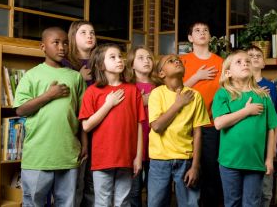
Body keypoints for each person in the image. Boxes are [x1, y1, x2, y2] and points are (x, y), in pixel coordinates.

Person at [14, 27, 87, 207]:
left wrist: (85, 143)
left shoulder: (75, 77)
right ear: (43, 47)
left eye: (65, 43)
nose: (61, 47)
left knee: (67, 203)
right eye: (55, 43)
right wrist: (49, 95)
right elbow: (20, 110)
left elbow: (82, 115)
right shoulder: (31, 76)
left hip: (68, 154)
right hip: (38, 156)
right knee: (33, 203)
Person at [79, 43, 145, 206]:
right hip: (102, 158)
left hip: (126, 158)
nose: (119, 60)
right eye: (112, 57)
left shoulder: (132, 90)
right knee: (102, 202)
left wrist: (138, 157)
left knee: (123, 202)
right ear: (101, 65)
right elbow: (86, 126)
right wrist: (108, 104)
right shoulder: (92, 92)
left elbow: (139, 126)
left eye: (120, 56)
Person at [212, 50, 277, 207]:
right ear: (228, 72)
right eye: (239, 62)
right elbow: (219, 123)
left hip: (255, 162)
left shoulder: (263, 96)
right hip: (229, 163)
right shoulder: (223, 94)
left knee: (252, 203)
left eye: (247, 61)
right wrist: (246, 111)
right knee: (232, 203)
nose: (245, 63)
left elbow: (271, 128)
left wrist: (269, 159)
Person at [148, 54, 210, 207]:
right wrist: (178, 104)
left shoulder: (195, 96)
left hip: (186, 160)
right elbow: (156, 126)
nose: (176, 61)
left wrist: (195, 166)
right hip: (159, 160)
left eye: (179, 60)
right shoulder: (157, 94)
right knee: (156, 203)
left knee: (190, 204)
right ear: (162, 73)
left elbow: (198, 133)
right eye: (170, 61)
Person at [180, 21, 223, 207]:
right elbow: (174, 90)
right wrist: (196, 77)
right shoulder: (182, 61)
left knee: (210, 172)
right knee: (187, 172)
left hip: (211, 124)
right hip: (185, 124)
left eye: (206, 30)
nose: (202, 32)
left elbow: (225, 90)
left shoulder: (220, 62)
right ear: (190, 38)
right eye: (197, 30)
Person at [64, 20, 97, 207]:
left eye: (92, 32)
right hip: (77, 128)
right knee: (75, 181)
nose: (89, 35)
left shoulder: (101, 61)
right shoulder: (66, 63)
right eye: (83, 32)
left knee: (93, 181)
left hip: (99, 126)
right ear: (73, 37)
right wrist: (80, 77)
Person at [246, 45, 277, 207]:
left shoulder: (272, 88)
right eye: (251, 55)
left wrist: (273, 145)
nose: (255, 57)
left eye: (258, 56)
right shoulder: (238, 86)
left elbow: (276, 121)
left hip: (265, 146)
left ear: (263, 64)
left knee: (265, 190)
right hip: (246, 145)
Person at [125, 46, 160, 207]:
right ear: (131, 64)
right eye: (140, 58)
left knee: (155, 190)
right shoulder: (127, 86)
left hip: (156, 143)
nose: (146, 61)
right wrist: (141, 101)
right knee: (134, 189)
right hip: (134, 144)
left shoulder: (159, 86)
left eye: (148, 57)